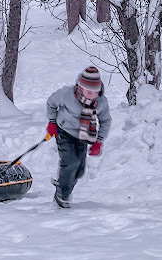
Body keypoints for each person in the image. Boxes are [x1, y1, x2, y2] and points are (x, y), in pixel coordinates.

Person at [44, 65, 112, 209]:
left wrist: (99, 142)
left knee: (79, 170)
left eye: (96, 92)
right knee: (70, 162)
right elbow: (51, 103)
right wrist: (52, 123)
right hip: (64, 131)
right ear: (80, 87)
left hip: (83, 135)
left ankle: (64, 185)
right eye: (89, 92)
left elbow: (105, 121)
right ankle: (62, 194)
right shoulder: (66, 94)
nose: (93, 95)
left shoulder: (101, 102)